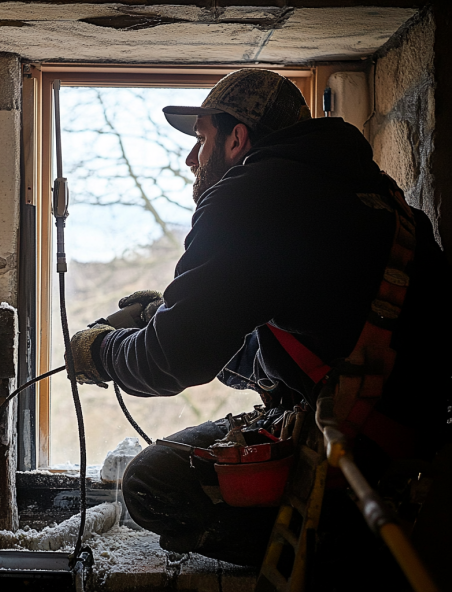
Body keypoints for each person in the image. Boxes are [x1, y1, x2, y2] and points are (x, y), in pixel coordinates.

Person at [69, 70, 451, 581]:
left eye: (201, 140)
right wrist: (165, 314)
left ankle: (348, 554)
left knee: (150, 485)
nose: (191, 159)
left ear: (236, 138)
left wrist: (103, 353)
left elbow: (173, 360)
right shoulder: (372, 190)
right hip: (413, 443)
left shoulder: (247, 195)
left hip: (357, 456)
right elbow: (289, 350)